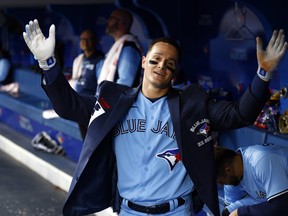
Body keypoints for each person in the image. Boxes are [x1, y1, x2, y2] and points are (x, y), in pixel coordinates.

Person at [23, 18, 287, 216]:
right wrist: (48, 63)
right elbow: (70, 106)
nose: (162, 65)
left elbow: (241, 114)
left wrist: (263, 74)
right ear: (143, 61)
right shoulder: (113, 100)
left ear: (174, 73)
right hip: (129, 211)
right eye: (156, 59)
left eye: (169, 64)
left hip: (177, 211)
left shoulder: (191, 103)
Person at [214, 144, 288, 216]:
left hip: (283, 201)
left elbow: (282, 206)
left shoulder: (260, 161)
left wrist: (240, 212)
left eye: (220, 181)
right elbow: (229, 210)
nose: (222, 184)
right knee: (227, 212)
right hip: (268, 198)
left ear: (228, 170)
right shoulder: (234, 174)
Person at [68, 29, 104, 139]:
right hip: (79, 102)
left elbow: (102, 84)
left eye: (88, 39)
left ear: (95, 42)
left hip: (92, 105)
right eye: (82, 39)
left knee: (92, 138)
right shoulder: (78, 60)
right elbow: (75, 80)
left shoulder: (100, 60)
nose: (85, 42)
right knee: (85, 137)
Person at [97, 8, 143, 87]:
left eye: (111, 19)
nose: (107, 22)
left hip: (115, 98)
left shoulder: (129, 48)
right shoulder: (118, 45)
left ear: (121, 23)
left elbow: (124, 83)